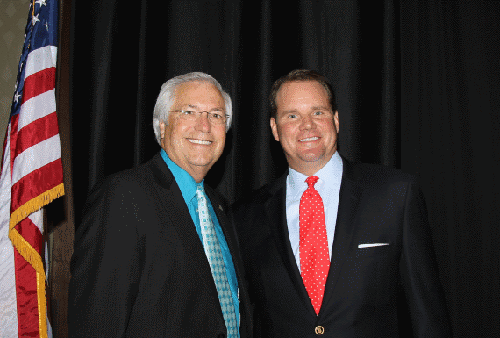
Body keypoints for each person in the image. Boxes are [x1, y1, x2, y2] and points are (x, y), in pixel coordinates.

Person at [232, 69, 451, 337]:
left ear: (335, 120)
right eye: (292, 116)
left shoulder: (395, 194)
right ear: (275, 129)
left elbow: (427, 315)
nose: (307, 125)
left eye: (318, 112)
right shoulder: (245, 215)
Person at [69, 72, 252, 337]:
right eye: (189, 112)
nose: (204, 126)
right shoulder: (123, 197)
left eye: (215, 115)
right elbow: (97, 322)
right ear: (163, 125)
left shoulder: (220, 207)